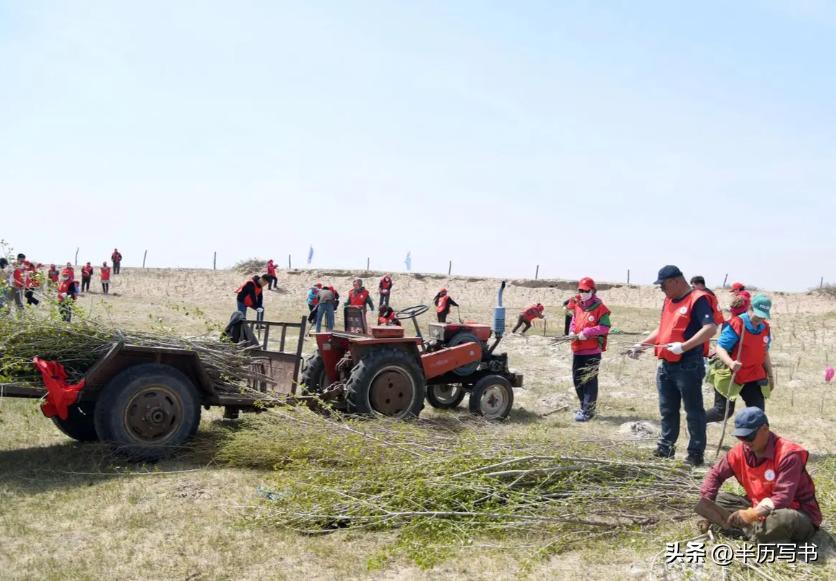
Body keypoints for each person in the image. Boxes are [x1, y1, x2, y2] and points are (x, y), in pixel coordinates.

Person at [628, 265, 721, 467]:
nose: (662, 289)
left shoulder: (698, 299)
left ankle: (695, 454)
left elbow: (710, 328)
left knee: (693, 411)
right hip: (666, 365)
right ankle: (665, 448)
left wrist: (684, 346)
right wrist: (642, 345)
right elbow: (662, 329)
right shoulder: (668, 300)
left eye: (664, 285)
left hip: (688, 364)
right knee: (667, 410)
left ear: (677, 281)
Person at [699, 407, 821, 543]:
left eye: (749, 436)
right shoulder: (739, 451)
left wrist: (752, 514)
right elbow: (716, 474)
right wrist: (707, 508)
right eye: (740, 436)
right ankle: (755, 531)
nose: (745, 441)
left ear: (765, 429)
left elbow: (783, 498)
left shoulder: (788, 455)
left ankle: (749, 531)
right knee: (720, 500)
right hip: (757, 506)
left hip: (795, 512)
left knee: (781, 519)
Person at [706, 295, 775, 422]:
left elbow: (764, 353)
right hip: (732, 373)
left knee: (758, 414)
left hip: (754, 375)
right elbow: (720, 348)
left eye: (763, 315)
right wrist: (731, 363)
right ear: (750, 308)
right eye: (758, 314)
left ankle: (754, 440)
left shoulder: (765, 328)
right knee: (723, 412)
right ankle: (696, 423)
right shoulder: (737, 323)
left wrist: (770, 376)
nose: (760, 318)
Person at [568, 278, 611, 421]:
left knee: (590, 380)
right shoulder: (577, 305)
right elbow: (574, 321)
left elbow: (605, 327)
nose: (583, 293)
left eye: (586, 291)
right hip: (578, 348)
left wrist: (587, 332)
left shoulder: (600, 308)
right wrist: (572, 332)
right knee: (577, 379)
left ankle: (588, 411)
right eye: (580, 290)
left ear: (592, 291)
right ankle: (583, 406)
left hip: (592, 350)